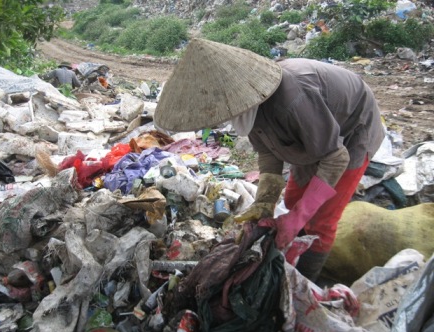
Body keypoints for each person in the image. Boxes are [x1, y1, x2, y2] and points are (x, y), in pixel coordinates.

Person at [154, 38, 385, 283]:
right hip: (314, 135)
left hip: (351, 130)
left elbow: (335, 157)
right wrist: (265, 200)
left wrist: (298, 218)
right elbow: (268, 151)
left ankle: (304, 283)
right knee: (293, 199)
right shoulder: (249, 103)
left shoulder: (293, 100)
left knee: (321, 221)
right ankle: (293, 248)